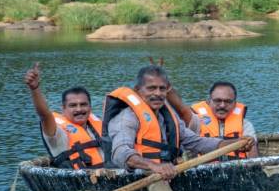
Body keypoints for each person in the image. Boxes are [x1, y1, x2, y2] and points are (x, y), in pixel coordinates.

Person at [103, 65, 254, 180]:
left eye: (162, 89)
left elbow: (198, 142)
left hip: (166, 176)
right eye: (151, 88)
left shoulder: (169, 118)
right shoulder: (127, 118)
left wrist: (236, 143)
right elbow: (120, 152)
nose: (157, 93)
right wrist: (154, 166)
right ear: (137, 90)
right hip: (139, 178)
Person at [24, 63, 106, 169]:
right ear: (63, 108)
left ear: (90, 107)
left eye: (83, 104)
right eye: (73, 105)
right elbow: (44, 114)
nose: (79, 109)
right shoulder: (58, 134)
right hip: (79, 181)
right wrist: (35, 89)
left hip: (110, 176)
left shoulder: (98, 127)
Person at [167, 81, 258, 160]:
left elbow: (252, 153)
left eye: (228, 101)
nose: (222, 105)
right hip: (204, 173)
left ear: (235, 103)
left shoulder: (245, 125)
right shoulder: (197, 121)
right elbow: (182, 110)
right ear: (209, 101)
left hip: (238, 172)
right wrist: (166, 87)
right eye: (217, 101)